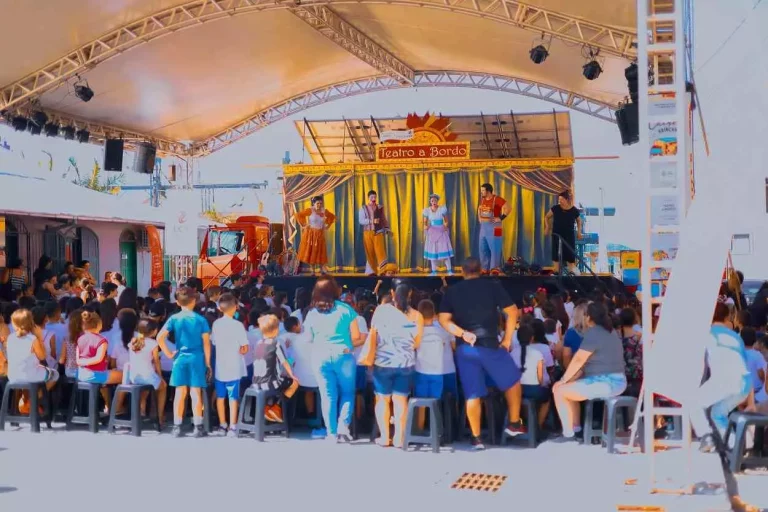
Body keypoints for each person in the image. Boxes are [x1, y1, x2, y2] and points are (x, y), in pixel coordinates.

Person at [438, 257, 523, 450]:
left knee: (473, 393)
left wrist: (461, 333)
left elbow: (443, 320)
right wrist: (508, 339)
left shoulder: (452, 291)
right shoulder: (493, 286)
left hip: (465, 348)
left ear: (462, 271)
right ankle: (515, 422)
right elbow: (512, 311)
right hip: (489, 345)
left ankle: (476, 438)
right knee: (513, 381)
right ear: (482, 270)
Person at [552, 302, 627, 442]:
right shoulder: (611, 332)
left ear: (588, 317)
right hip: (615, 380)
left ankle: (568, 434)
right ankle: (575, 429)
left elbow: (579, 359)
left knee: (559, 391)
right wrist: (568, 380)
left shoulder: (594, 333)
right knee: (567, 389)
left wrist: (562, 380)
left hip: (606, 382)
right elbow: (585, 365)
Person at [302, 276, 362, 442]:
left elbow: (307, 338)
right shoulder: (347, 310)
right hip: (343, 355)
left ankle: (331, 434)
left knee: (328, 396)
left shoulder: (312, 314)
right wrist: (348, 345)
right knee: (348, 393)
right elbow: (356, 336)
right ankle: (344, 427)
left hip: (320, 356)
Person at [364, 280, 423, 448]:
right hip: (405, 364)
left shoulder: (381, 311)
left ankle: (385, 437)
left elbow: (374, 333)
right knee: (400, 400)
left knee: (382, 399)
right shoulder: (416, 315)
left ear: (391, 292)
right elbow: (417, 343)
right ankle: (399, 438)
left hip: (382, 363)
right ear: (410, 293)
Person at [693, 302, 752, 453]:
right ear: (727, 318)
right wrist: (751, 402)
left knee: (692, 402)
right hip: (744, 383)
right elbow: (746, 366)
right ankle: (736, 445)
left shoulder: (705, 333)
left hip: (724, 380)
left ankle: (706, 436)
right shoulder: (736, 337)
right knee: (717, 414)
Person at [157, 287, 212, 438]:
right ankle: (198, 426)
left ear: (177, 302)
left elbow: (159, 337)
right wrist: (208, 363)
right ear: (194, 301)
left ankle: (177, 426)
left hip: (180, 358)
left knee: (180, 393)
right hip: (197, 358)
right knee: (196, 392)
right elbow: (206, 343)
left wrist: (168, 353)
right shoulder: (201, 320)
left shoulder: (174, 318)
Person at [414, 299, 456, 430]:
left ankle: (420, 429)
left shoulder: (416, 332)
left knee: (420, 403)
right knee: (436, 403)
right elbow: (452, 344)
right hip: (438, 373)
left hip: (420, 372)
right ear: (434, 315)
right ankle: (436, 432)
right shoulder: (442, 332)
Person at [6, 309, 59, 414]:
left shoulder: (10, 338)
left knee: (29, 373)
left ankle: (25, 402)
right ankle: (33, 399)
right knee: (55, 374)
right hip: (30, 375)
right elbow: (42, 356)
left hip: (12, 375)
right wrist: (39, 337)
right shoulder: (32, 339)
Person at [211, 293, 249, 436]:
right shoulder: (238, 325)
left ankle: (222, 425)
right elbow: (245, 347)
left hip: (220, 367)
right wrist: (241, 349)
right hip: (234, 367)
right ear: (235, 308)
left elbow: (214, 342)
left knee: (221, 397)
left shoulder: (216, 324)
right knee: (233, 398)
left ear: (220, 309)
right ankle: (233, 426)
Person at [251, 314, 300, 423]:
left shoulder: (258, 343)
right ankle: (276, 407)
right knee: (294, 383)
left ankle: (268, 409)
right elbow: (285, 362)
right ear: (276, 330)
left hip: (256, 382)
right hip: (271, 383)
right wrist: (292, 375)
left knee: (277, 385)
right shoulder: (276, 343)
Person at [76, 311, 123, 412]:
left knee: (108, 378)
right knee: (125, 376)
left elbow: (78, 360)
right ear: (99, 324)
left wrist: (84, 362)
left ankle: (108, 406)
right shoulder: (101, 340)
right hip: (96, 375)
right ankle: (117, 409)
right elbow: (98, 359)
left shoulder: (80, 339)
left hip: (81, 374)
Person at [126, 319, 167, 429]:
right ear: (153, 331)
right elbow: (157, 362)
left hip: (134, 377)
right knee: (163, 387)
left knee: (144, 392)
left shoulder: (133, 341)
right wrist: (160, 376)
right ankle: (160, 416)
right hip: (148, 377)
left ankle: (142, 412)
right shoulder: (153, 343)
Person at [511, 324, 550, 428]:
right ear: (532, 338)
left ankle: (525, 423)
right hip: (534, 389)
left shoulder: (512, 353)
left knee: (521, 400)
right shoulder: (537, 353)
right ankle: (538, 426)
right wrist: (542, 385)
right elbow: (540, 377)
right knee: (547, 399)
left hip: (516, 390)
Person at [295, 196, 336, 274]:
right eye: (317, 203)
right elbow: (298, 215)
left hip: (320, 234)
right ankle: (312, 270)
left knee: (321, 251)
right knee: (312, 251)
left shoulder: (324, 211)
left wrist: (327, 226)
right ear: (313, 203)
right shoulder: (310, 210)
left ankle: (322, 269)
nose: (319, 205)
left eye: (321, 203)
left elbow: (332, 217)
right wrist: (304, 225)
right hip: (311, 234)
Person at [544, 190, 582, 275]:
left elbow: (579, 221)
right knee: (556, 253)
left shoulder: (574, 210)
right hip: (557, 234)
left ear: (567, 199)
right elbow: (546, 217)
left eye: (562, 199)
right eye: (559, 199)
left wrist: (579, 232)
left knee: (569, 253)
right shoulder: (555, 208)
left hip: (569, 235)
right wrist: (547, 227)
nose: (560, 201)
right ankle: (556, 271)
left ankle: (571, 271)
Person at [477, 183, 509, 273]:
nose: (481, 192)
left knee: (495, 248)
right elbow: (479, 209)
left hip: (495, 229)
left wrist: (500, 218)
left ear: (488, 191)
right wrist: (479, 217)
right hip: (484, 228)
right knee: (483, 248)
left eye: (483, 190)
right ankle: (484, 268)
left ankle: (494, 269)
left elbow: (508, 208)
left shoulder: (497, 199)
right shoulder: (483, 200)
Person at [358, 190, 391, 276]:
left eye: (375, 197)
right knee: (370, 252)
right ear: (368, 198)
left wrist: (387, 229)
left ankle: (383, 271)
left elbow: (383, 219)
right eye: (372, 197)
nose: (374, 199)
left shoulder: (380, 207)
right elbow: (361, 221)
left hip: (378, 232)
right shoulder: (363, 208)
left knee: (380, 252)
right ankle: (371, 272)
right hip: (367, 233)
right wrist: (372, 221)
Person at [422, 193, 454, 275]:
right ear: (430, 202)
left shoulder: (442, 209)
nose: (434, 202)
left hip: (441, 231)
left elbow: (446, 221)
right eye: (432, 201)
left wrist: (444, 227)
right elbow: (425, 222)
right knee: (433, 251)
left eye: (435, 200)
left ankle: (449, 270)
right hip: (432, 231)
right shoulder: (427, 210)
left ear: (437, 201)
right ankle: (434, 271)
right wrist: (426, 226)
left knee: (444, 250)